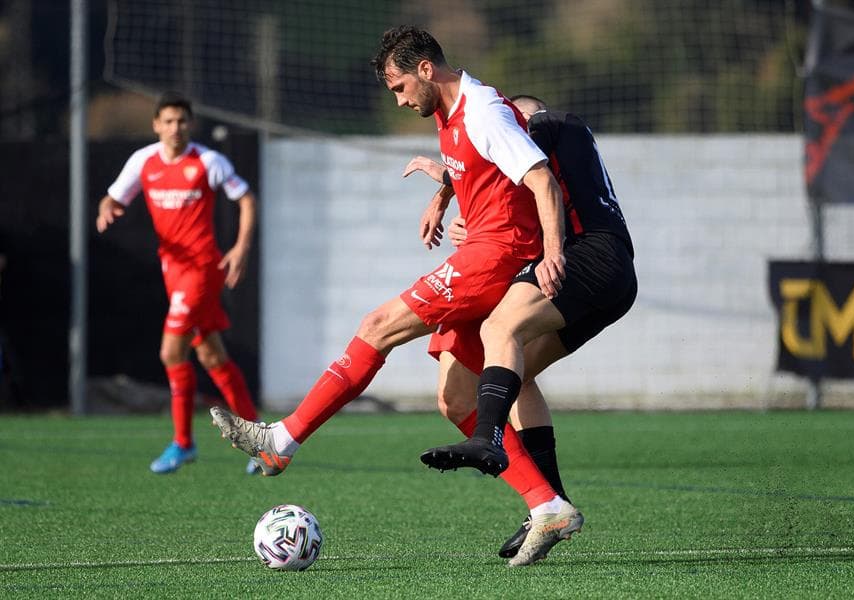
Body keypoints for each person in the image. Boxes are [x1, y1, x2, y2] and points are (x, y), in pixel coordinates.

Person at [209, 25, 580, 566]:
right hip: (486, 248)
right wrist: (443, 193)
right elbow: (477, 164)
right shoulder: (448, 113)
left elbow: (540, 177)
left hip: (496, 255)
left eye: (400, 86)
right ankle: (547, 505)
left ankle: (281, 440)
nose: (400, 99)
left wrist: (551, 252)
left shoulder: (483, 109)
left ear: (426, 69)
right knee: (456, 398)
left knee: (377, 325)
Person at [404, 94, 637, 560]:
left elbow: (500, 156)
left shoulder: (548, 123)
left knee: (498, 329)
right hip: (611, 274)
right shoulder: (565, 143)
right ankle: (550, 507)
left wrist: (447, 183)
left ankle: (485, 437)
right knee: (515, 372)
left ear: (525, 116)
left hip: (589, 256)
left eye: (514, 120)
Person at [96, 91, 261, 475]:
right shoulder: (144, 161)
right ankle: (260, 439)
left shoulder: (207, 161)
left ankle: (183, 443)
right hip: (172, 270)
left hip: (202, 269)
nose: (175, 127)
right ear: (156, 125)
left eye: (182, 121)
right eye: (168, 121)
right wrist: (108, 206)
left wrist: (240, 248)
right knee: (212, 356)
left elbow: (247, 199)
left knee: (171, 352)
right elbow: (113, 197)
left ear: (191, 124)